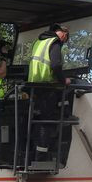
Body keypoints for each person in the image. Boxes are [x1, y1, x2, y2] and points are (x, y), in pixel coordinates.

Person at [27, 24, 70, 160]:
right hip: (47, 88)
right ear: (63, 34)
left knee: (36, 120)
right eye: (65, 39)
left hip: (35, 87)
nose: (64, 42)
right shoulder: (55, 42)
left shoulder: (38, 42)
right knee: (47, 122)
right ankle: (41, 156)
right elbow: (56, 65)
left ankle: (32, 152)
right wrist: (64, 80)